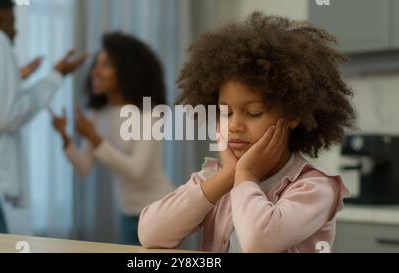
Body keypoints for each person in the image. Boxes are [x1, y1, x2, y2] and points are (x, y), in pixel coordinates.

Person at [138, 12, 356, 253]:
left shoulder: (315, 188)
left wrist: (246, 175)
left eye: (253, 113)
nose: (234, 126)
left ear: (293, 115)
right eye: (226, 112)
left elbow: (259, 243)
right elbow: (150, 234)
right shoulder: (215, 177)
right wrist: (227, 176)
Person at [0, 0, 87, 233]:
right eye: (13, 24)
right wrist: (56, 75)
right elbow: (8, 116)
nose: (15, 32)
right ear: (1, 19)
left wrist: (16, 79)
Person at [51, 32, 174, 245]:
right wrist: (65, 137)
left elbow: (136, 170)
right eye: (96, 65)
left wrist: (94, 137)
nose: (96, 72)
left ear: (126, 71)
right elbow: (83, 167)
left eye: (106, 65)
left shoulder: (149, 114)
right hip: (127, 213)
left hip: (160, 210)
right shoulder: (98, 115)